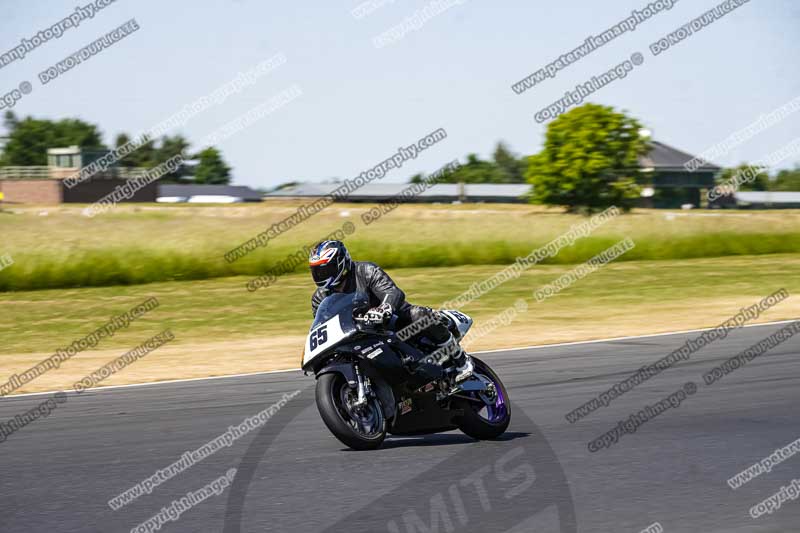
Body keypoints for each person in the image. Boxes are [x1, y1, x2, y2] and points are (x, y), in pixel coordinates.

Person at [308, 240, 473, 381]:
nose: (319, 275)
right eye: (316, 270)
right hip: (358, 334)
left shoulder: (365, 271)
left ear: (340, 263)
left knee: (419, 315)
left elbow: (392, 292)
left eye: (324, 269)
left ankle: (460, 360)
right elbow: (322, 324)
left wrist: (384, 308)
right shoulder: (319, 297)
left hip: (391, 322)